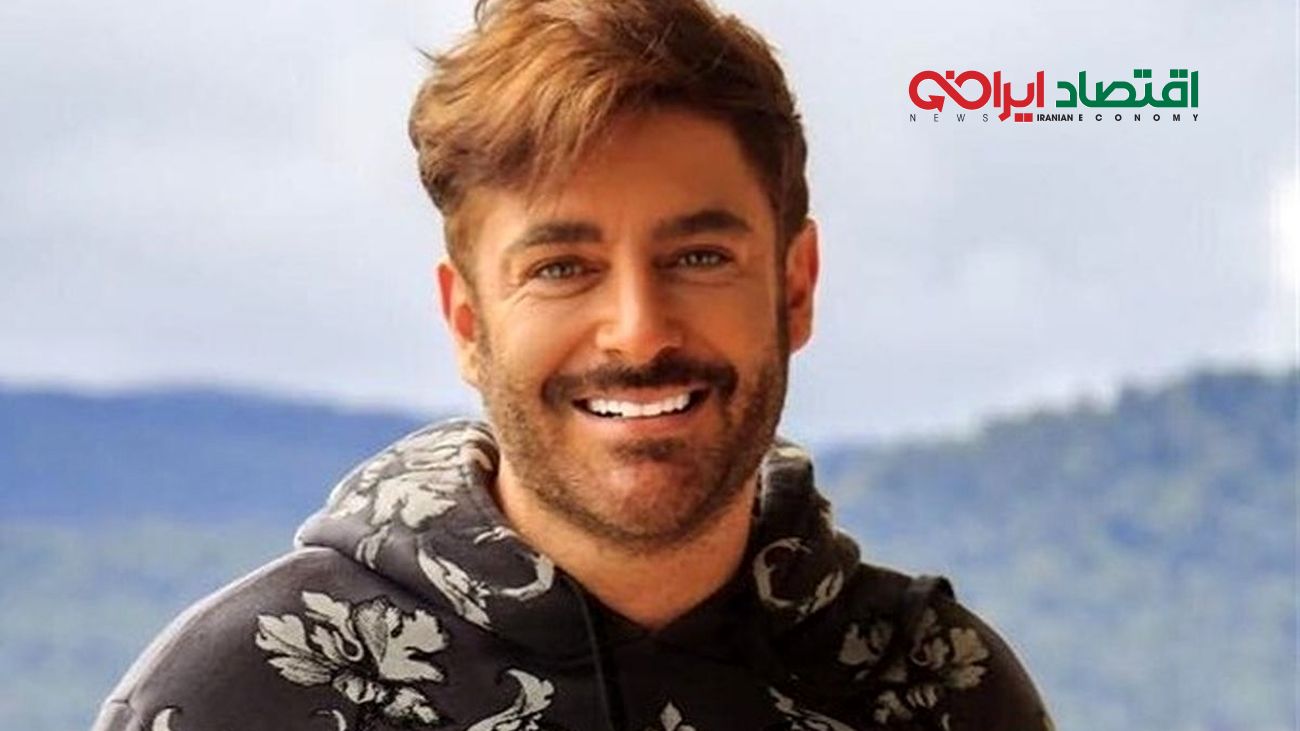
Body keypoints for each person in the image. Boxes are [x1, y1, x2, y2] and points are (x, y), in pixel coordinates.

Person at [94, 1, 1054, 729]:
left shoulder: (943, 687)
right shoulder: (239, 696)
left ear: (795, 287)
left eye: (699, 257)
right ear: (468, 321)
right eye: (561, 267)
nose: (637, 332)